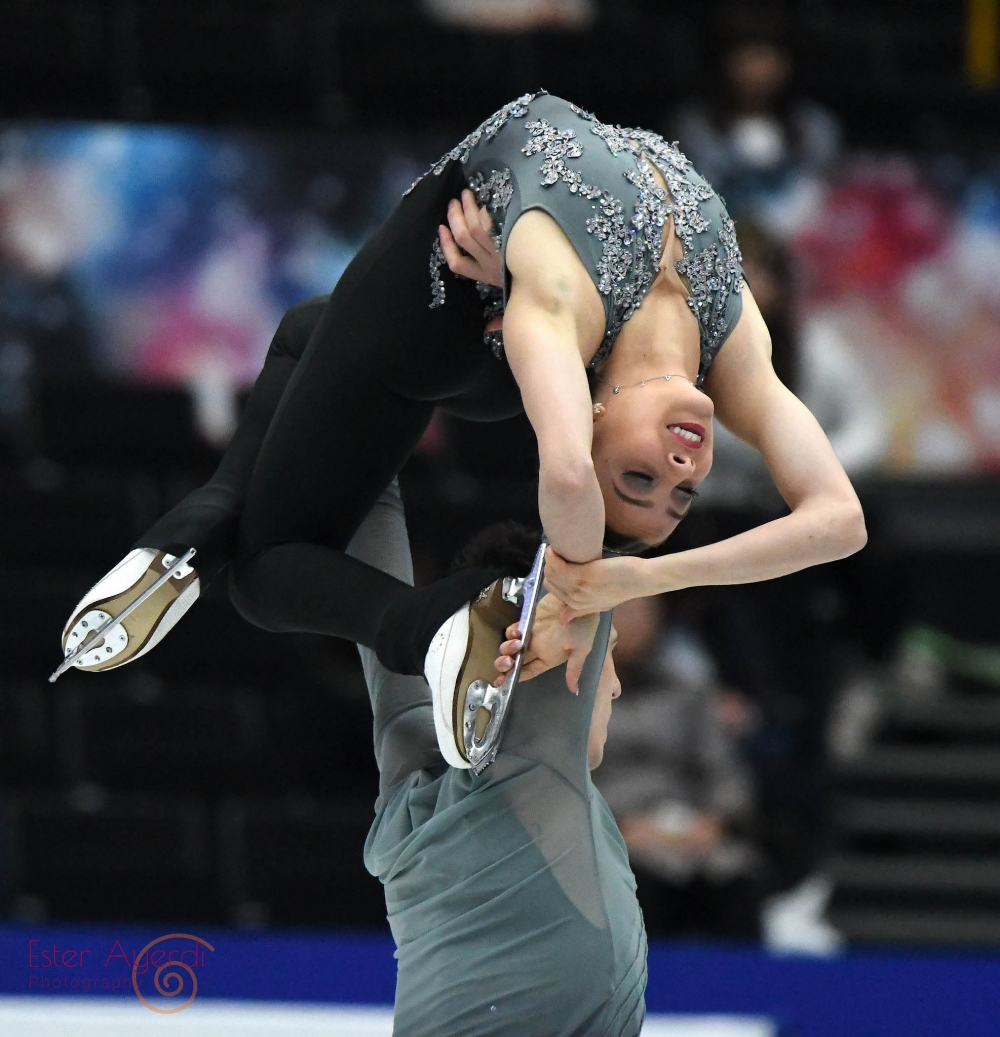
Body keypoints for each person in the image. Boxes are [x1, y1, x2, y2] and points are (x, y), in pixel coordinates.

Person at [57, 90, 866, 774]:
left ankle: (430, 619)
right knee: (307, 333)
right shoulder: (735, 350)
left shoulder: (559, 316)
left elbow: (569, 480)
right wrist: (623, 580)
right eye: (679, 489)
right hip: (481, 312)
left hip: (433, 296)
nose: (682, 466)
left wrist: (600, 586)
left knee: (264, 571)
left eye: (645, 481)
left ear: (592, 423)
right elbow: (840, 520)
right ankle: (209, 512)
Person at [352, 510, 642, 1034]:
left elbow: (369, 517)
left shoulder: (409, 783)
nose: (613, 684)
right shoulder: (535, 777)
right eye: (605, 651)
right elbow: (598, 513)